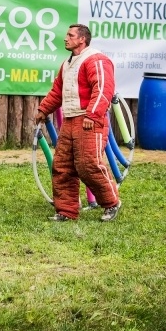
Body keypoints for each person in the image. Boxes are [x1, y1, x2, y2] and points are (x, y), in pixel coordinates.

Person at [34, 24, 122, 222]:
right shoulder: (67, 64)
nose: (65, 38)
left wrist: (92, 115)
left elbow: (103, 89)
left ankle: (111, 203)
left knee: (88, 165)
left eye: (70, 35)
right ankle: (66, 211)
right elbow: (57, 91)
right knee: (62, 166)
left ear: (82, 39)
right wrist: (43, 109)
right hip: (71, 120)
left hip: (90, 120)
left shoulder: (96, 60)